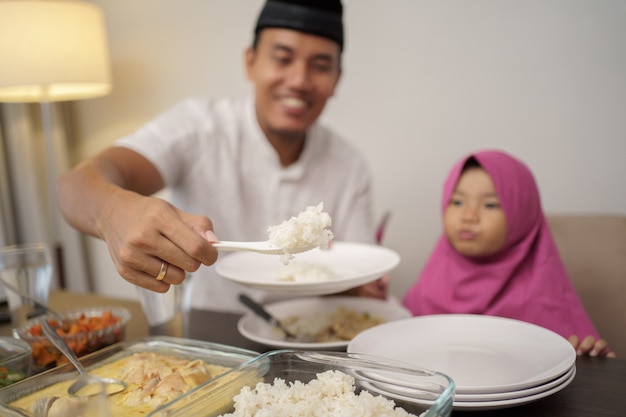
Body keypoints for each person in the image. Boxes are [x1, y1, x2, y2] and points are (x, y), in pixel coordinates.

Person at [56, 0, 386, 313]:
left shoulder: (350, 164)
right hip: (211, 333)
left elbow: (355, 270)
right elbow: (73, 186)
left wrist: (363, 287)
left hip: (311, 338)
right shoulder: (198, 127)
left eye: (320, 66)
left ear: (336, 80)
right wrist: (113, 212)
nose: (299, 81)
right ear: (250, 62)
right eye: (283, 59)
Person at [402, 150, 615, 357]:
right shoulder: (430, 286)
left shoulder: (545, 297)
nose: (469, 215)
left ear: (522, 214)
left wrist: (588, 359)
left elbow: (575, 368)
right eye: (457, 201)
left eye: (490, 205)